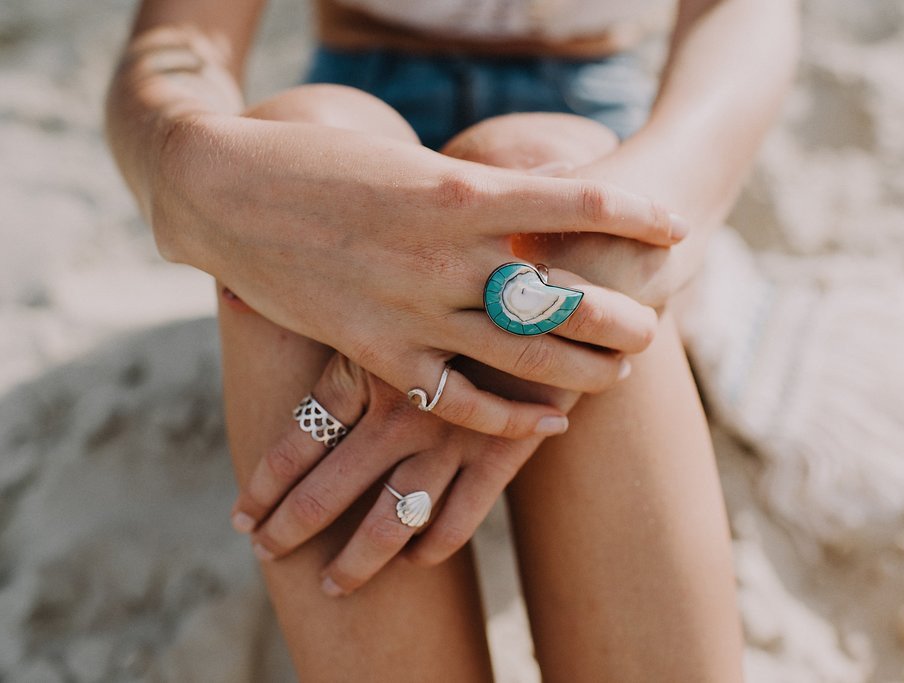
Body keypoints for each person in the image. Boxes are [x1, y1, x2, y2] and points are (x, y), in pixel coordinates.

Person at [105, 0, 798, 679]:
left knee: (556, 197)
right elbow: (180, 39)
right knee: (295, 141)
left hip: (599, 133)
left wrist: (621, 236)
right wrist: (186, 166)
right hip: (359, 110)